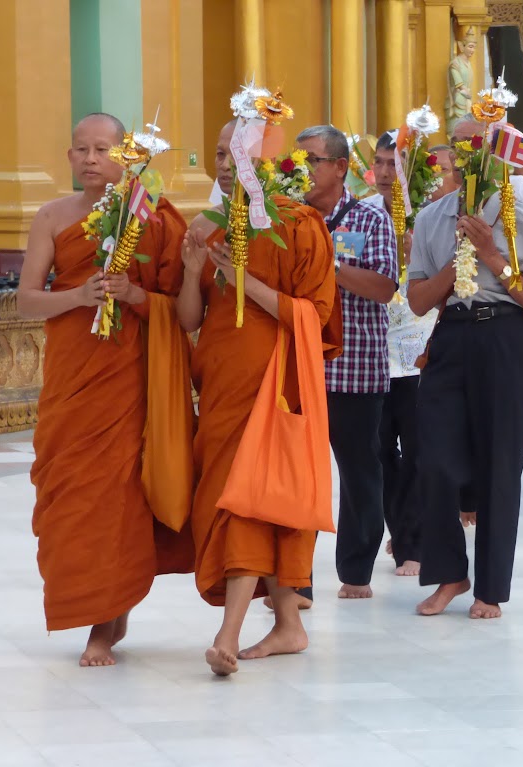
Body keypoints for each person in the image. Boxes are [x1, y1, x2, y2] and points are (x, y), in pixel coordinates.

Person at [18, 113, 194, 666]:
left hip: (127, 379)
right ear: (69, 157)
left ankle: (104, 624)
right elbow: (26, 300)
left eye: (102, 149)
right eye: (81, 150)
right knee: (70, 491)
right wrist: (78, 296)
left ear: (125, 156)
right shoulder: (50, 216)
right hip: (73, 378)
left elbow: (185, 312)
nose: (92, 159)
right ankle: (100, 609)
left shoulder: (154, 219)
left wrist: (133, 295)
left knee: (116, 495)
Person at [180, 119, 340, 676]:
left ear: (269, 161)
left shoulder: (301, 225)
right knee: (249, 497)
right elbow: (191, 319)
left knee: (250, 498)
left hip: (277, 383)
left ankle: (229, 634)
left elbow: (315, 317)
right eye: (220, 153)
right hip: (223, 384)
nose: (226, 164)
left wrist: (246, 281)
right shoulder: (207, 227)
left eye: (238, 153)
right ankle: (289, 625)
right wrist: (194, 271)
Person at [409, 118, 523, 619]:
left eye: (482, 148)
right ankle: (450, 571)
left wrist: (492, 255)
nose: (471, 157)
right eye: (463, 149)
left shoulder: (521, 213)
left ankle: (490, 589)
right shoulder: (431, 219)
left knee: (500, 464)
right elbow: (417, 300)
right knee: (432, 458)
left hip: (505, 335)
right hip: (452, 335)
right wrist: (459, 259)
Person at [297, 124, 398, 600]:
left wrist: (327, 267)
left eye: (312, 160)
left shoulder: (370, 219)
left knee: (360, 471)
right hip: (297, 368)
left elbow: (383, 287)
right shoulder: (285, 219)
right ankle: (295, 579)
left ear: (340, 168)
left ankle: (356, 571)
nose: (302, 169)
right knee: (299, 475)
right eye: (297, 160)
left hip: (355, 368)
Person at [365, 131, 439, 577]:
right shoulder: (363, 212)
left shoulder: (430, 216)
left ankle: (413, 541)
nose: (386, 173)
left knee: (416, 451)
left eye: (395, 164)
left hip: (417, 346)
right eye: (380, 164)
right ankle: (399, 529)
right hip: (373, 351)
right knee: (378, 453)